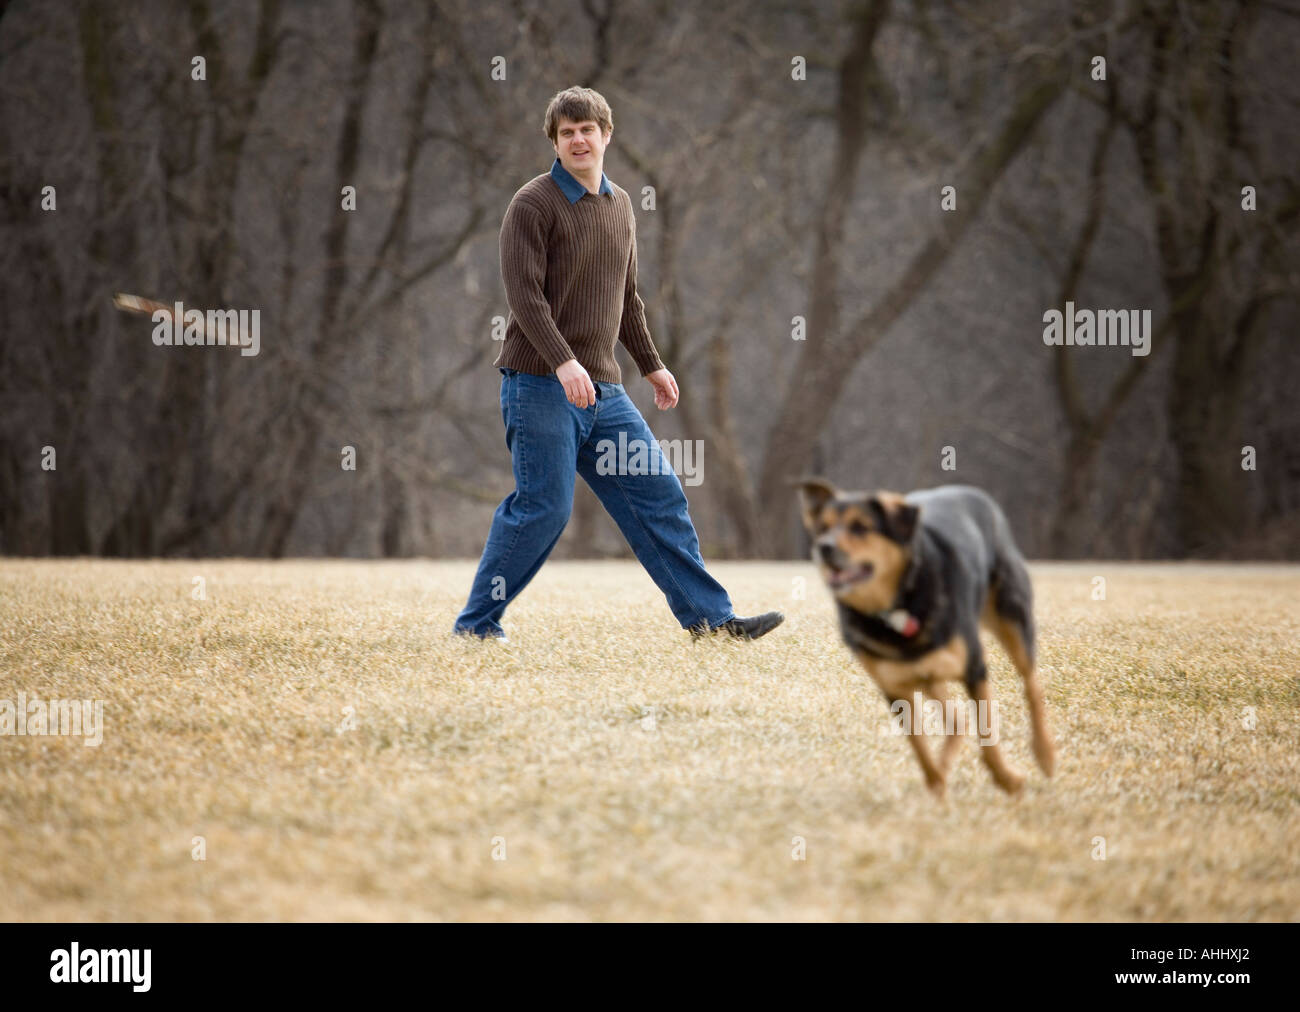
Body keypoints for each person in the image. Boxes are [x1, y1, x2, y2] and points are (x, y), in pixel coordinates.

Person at [453, 86, 783, 644]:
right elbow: (526, 299)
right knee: (544, 509)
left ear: (607, 135)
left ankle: (712, 621)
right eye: (566, 132)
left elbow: (625, 297)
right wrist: (562, 363)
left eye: (587, 129)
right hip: (538, 385)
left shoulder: (621, 204)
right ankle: (477, 625)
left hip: (604, 393)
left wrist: (651, 365)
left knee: (658, 495)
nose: (578, 140)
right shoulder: (532, 204)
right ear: (555, 143)